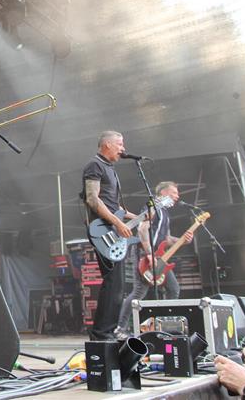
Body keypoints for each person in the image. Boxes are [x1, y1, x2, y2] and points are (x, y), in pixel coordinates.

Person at [114, 181, 194, 338]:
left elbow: (167, 238)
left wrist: (183, 239)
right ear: (163, 193)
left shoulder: (166, 214)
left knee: (173, 288)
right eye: (174, 193)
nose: (177, 197)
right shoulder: (153, 207)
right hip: (144, 254)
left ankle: (166, 326)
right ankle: (120, 329)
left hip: (159, 256)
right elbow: (142, 229)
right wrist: (149, 253)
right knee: (139, 292)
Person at [82, 130, 140, 341]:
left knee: (118, 284)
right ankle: (101, 333)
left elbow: (115, 206)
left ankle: (110, 330)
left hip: (112, 229)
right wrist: (117, 223)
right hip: (102, 229)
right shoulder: (95, 165)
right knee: (112, 282)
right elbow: (93, 199)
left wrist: (141, 216)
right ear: (106, 144)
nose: (123, 148)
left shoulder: (110, 169)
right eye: (119, 143)